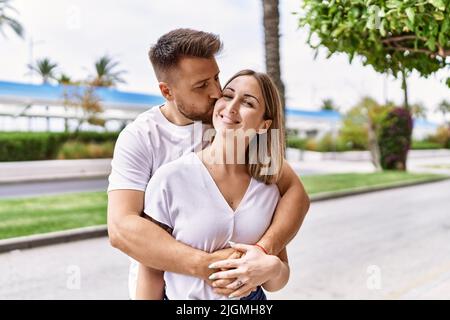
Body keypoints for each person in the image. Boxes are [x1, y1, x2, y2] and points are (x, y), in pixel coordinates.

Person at [107, 28, 310, 300]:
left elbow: (294, 193)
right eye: (202, 85)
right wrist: (213, 267)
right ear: (167, 91)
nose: (216, 92)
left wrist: (263, 252)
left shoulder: (238, 133)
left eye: (216, 78)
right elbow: (122, 229)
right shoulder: (141, 138)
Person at [136, 69, 290, 300]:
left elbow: (275, 282)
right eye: (228, 95)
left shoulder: (268, 188)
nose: (231, 107)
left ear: (264, 125)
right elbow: (150, 269)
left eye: (248, 102)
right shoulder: (171, 179)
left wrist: (273, 268)